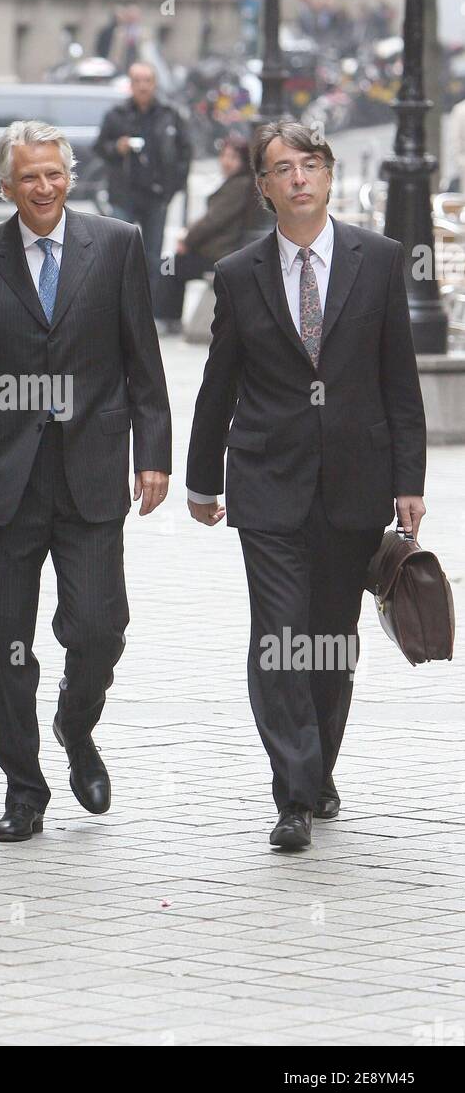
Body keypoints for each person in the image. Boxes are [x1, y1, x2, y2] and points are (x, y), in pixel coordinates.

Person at [0, 120, 171, 843]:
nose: (42, 187)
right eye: (28, 177)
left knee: (98, 627)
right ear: (6, 186)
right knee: (2, 642)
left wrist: (151, 454)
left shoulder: (117, 243)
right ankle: (23, 788)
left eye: (53, 174)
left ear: (70, 177)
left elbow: (142, 359)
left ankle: (75, 721)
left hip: (91, 472)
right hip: (2, 478)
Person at [186, 119, 426, 851]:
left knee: (329, 640)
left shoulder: (378, 260)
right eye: (281, 168)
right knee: (280, 636)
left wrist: (407, 480)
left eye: (309, 163)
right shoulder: (238, 274)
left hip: (354, 483)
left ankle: (318, 766)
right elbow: (217, 383)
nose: (298, 177)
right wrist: (200, 481)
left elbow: (398, 377)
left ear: (326, 175)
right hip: (265, 482)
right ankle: (291, 792)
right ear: (261, 188)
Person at [93, 61, 192, 326]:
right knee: (120, 253)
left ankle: (149, 312)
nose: (142, 86)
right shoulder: (117, 114)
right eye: (137, 80)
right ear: (130, 84)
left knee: (154, 257)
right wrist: (118, 147)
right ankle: (117, 310)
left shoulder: (169, 114)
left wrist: (172, 188)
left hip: (156, 196)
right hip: (124, 194)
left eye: (147, 80)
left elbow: (185, 153)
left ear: (154, 83)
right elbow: (100, 147)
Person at [158, 131, 269, 330]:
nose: (227, 162)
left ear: (243, 161)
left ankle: (169, 320)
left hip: (219, 253)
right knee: (171, 264)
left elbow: (213, 221)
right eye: (225, 156)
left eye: (233, 157)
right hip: (216, 249)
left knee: (170, 265)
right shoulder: (234, 183)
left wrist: (187, 240)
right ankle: (170, 319)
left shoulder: (239, 185)